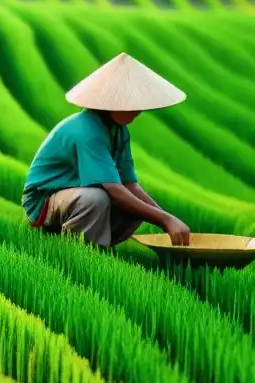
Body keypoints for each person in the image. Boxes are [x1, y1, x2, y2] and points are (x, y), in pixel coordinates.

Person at [21, 52, 192, 248]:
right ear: (111, 101)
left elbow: (129, 185)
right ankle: (79, 251)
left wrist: (166, 218)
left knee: (135, 205)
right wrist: (164, 220)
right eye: (130, 103)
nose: (138, 110)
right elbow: (111, 188)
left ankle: (97, 248)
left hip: (73, 195)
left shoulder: (118, 131)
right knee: (95, 198)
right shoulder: (87, 131)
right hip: (45, 199)